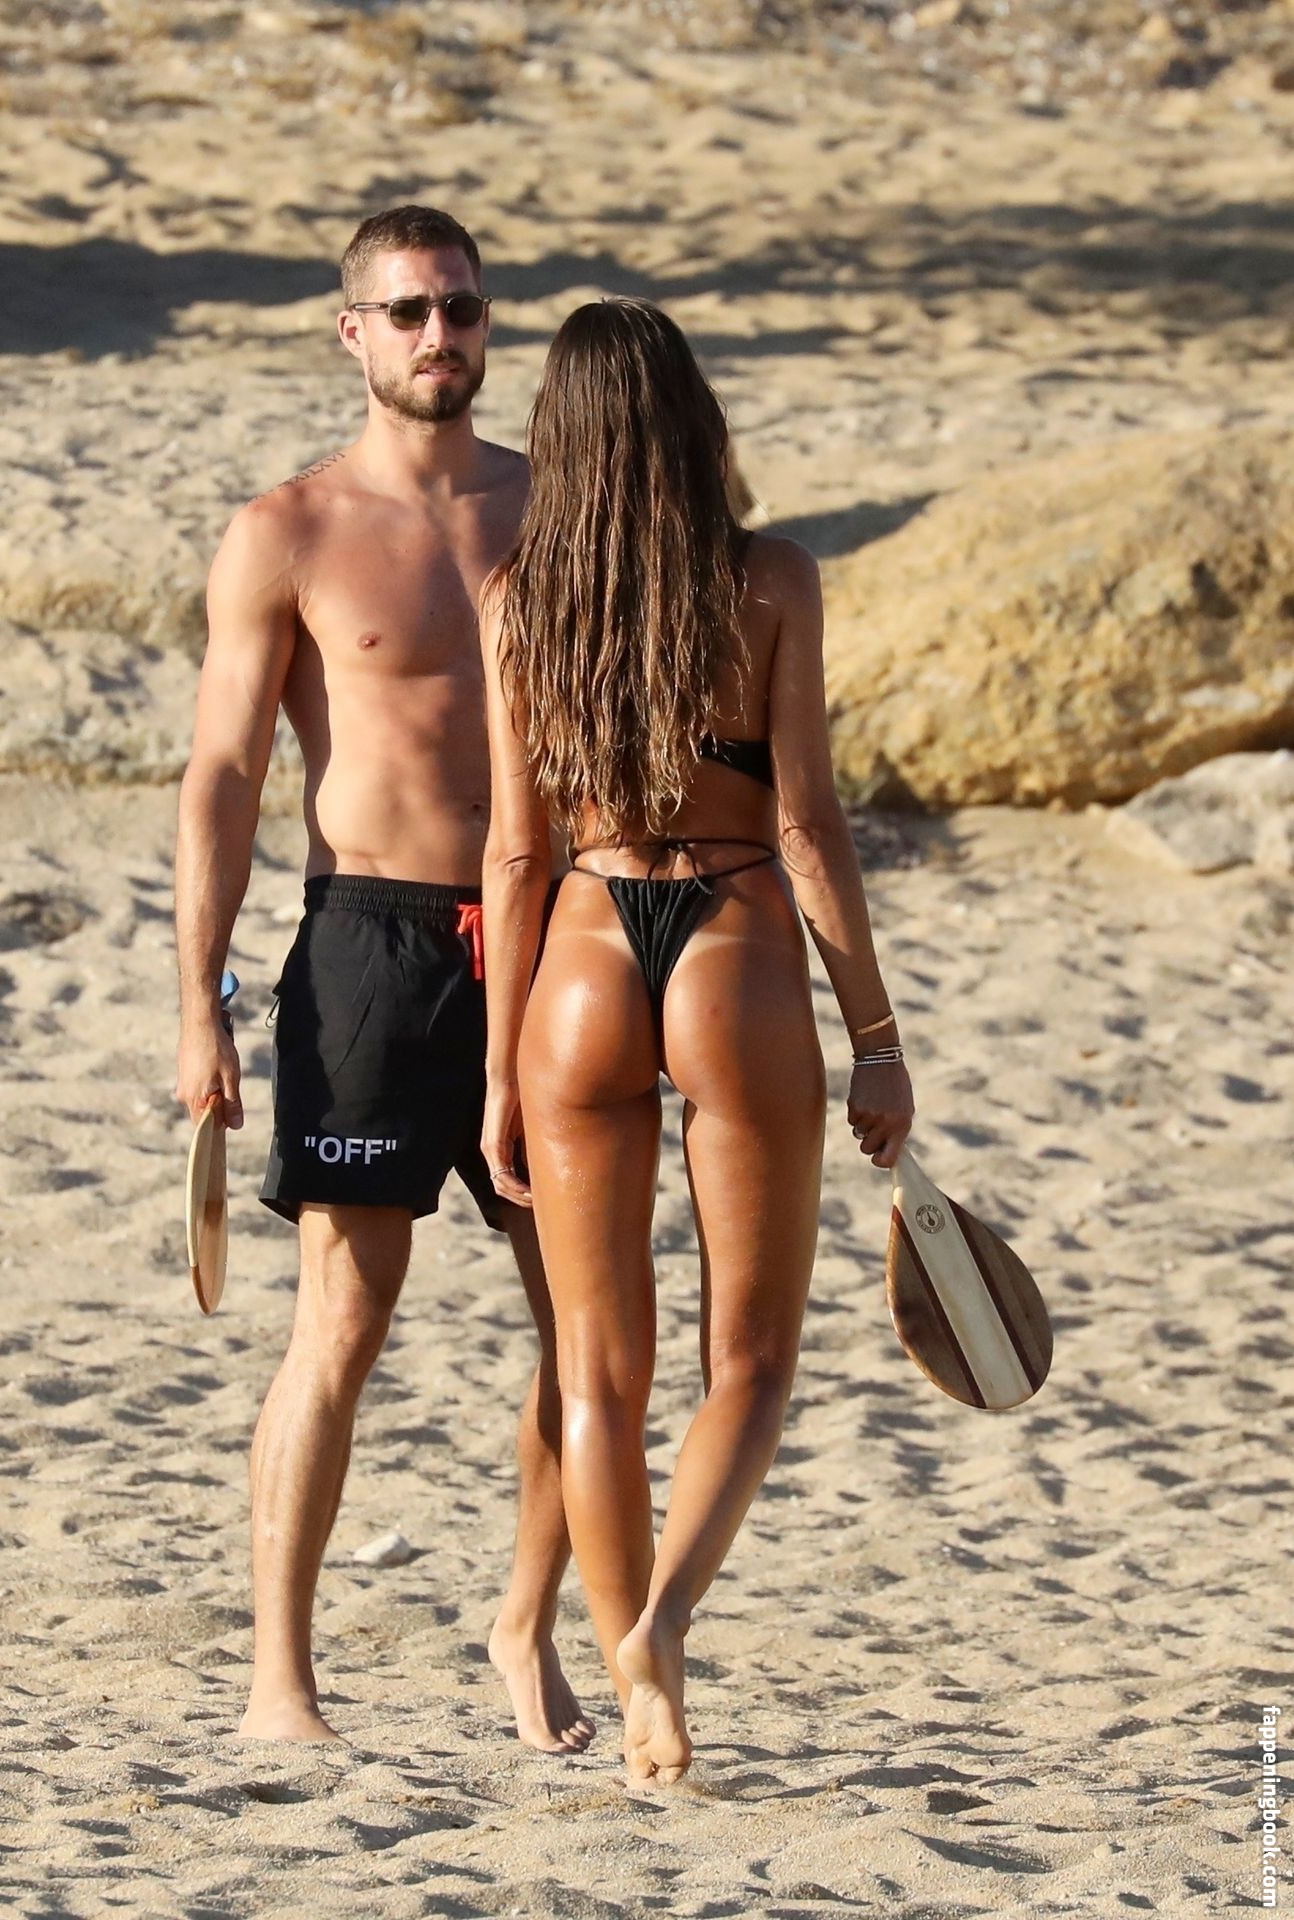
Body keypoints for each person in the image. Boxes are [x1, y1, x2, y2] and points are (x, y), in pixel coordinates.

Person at [478, 299, 914, 1784]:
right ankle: (662, 1624)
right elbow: (805, 825)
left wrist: (500, 1070)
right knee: (753, 1356)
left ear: (559, 440)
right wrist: (875, 1038)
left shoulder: (518, 599)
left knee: (597, 1370)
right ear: (692, 420)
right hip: (732, 938)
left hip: (585, 953)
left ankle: (629, 1679)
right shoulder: (770, 579)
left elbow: (515, 856)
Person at [174, 206, 591, 1753]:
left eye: (461, 310)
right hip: (369, 944)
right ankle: (279, 1679)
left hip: (557, 938)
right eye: (408, 311)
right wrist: (201, 999)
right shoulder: (285, 531)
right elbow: (223, 773)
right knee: (340, 1320)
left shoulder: (558, 511)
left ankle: (523, 1629)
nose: (439, 337)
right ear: (351, 331)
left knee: (588, 1325)